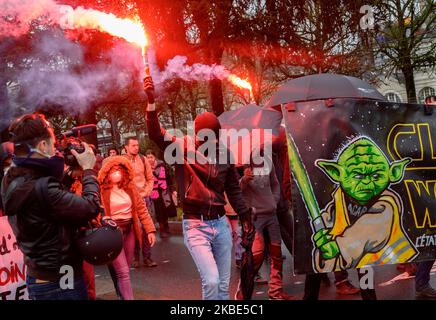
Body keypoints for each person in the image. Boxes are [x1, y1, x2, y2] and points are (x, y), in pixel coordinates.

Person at [144, 76, 254, 300]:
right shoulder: (182, 148)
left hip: (221, 224)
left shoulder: (224, 154)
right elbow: (156, 134)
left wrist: (246, 217)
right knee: (212, 281)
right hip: (195, 225)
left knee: (223, 286)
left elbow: (233, 190)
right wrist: (151, 102)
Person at [1, 113, 100, 300]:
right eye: (53, 144)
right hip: (62, 281)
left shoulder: (11, 179)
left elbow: (41, 193)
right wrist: (88, 170)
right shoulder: (44, 188)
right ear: (43, 145)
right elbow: (91, 206)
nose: (55, 149)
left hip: (38, 276)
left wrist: (69, 174)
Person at [235, 157, 294, 300]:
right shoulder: (240, 163)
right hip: (254, 216)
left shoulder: (268, 160)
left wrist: (273, 201)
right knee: (255, 256)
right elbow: (234, 190)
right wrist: (244, 179)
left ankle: (276, 291)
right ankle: (242, 292)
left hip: (271, 214)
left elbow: (275, 184)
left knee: (276, 253)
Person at [98, 156, 156, 300]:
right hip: (112, 233)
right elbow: (95, 211)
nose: (116, 173)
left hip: (129, 230)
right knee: (123, 272)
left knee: (125, 271)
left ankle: (122, 295)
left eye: (119, 169)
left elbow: (142, 209)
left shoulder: (130, 187)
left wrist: (150, 229)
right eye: (113, 170)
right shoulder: (101, 190)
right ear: (106, 172)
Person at [123, 137, 157, 268]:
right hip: (130, 200)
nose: (136, 148)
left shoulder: (143, 159)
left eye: (137, 145)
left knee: (147, 228)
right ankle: (135, 257)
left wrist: (148, 191)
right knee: (136, 229)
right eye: (133, 145)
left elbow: (150, 178)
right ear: (126, 147)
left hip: (144, 198)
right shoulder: (122, 161)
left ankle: (147, 257)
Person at [415, 95, 436, 300]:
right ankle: (421, 282)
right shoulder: (421, 130)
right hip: (427, 196)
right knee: (431, 242)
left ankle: (421, 281)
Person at [145, 149, 177, 238]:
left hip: (164, 191)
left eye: (151, 157)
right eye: (148, 157)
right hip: (154, 193)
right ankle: (162, 229)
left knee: (166, 209)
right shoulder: (146, 168)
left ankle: (167, 227)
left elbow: (168, 177)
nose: (150, 159)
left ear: (155, 157)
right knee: (158, 211)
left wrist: (173, 189)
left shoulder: (162, 165)